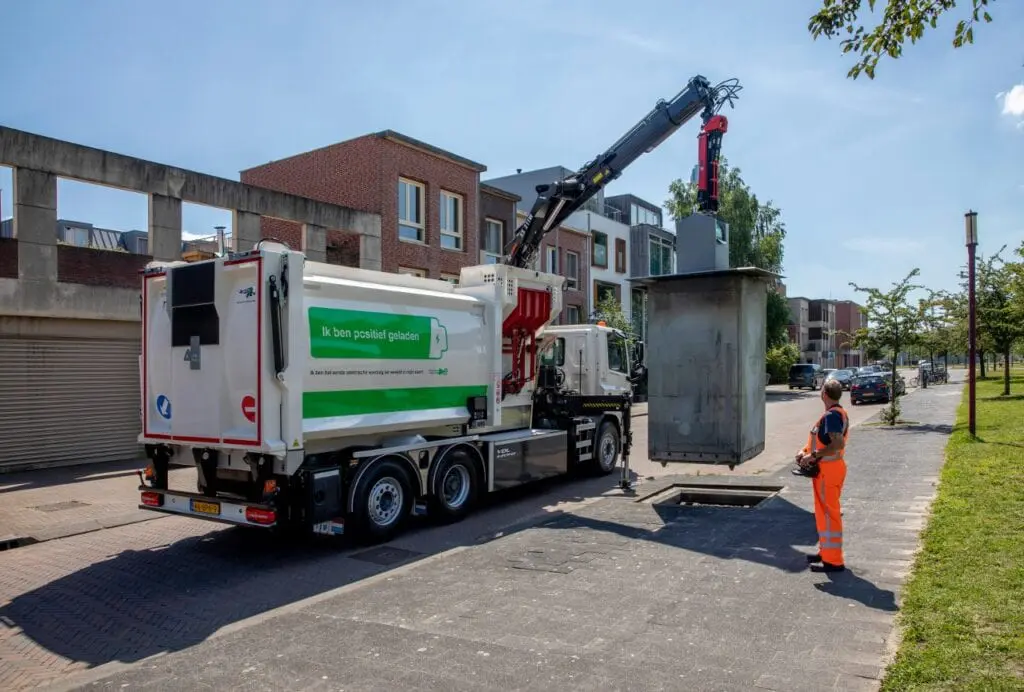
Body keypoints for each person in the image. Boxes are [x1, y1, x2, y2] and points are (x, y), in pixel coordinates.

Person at [792, 378, 849, 572]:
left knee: (829, 514)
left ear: (824, 394)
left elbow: (837, 444)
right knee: (824, 514)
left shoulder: (832, 416)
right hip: (829, 470)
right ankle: (825, 552)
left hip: (828, 471)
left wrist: (813, 456)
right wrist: (804, 451)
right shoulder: (836, 413)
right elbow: (822, 441)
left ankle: (833, 561)